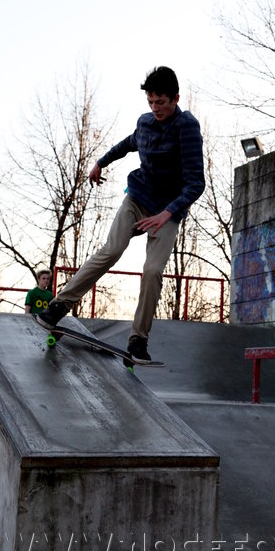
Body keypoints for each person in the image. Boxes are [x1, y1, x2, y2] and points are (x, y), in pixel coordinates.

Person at [36, 66, 205, 364]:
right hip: (137, 199)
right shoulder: (145, 123)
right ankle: (59, 306)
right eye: (151, 102)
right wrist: (100, 162)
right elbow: (128, 144)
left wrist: (166, 215)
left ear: (176, 99)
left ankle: (138, 339)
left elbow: (196, 183)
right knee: (111, 250)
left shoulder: (187, 127)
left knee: (153, 270)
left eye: (162, 103)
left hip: (168, 211)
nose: (156, 109)